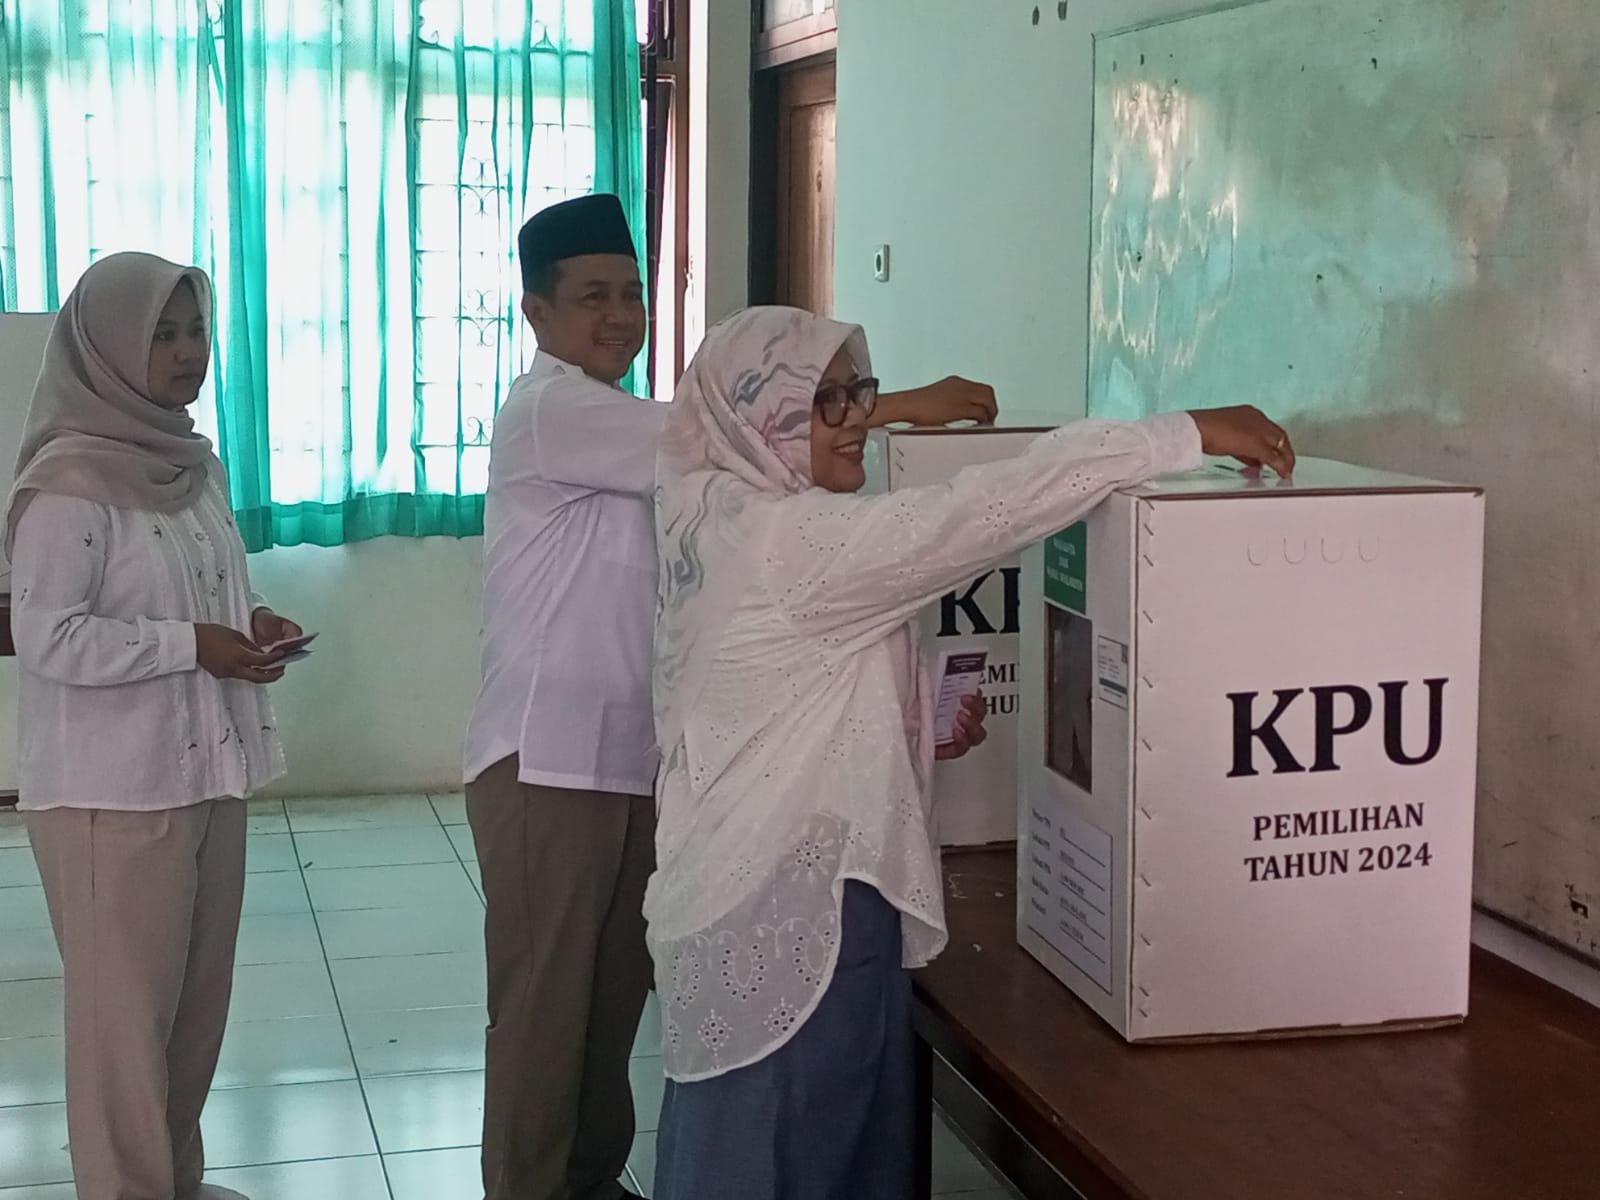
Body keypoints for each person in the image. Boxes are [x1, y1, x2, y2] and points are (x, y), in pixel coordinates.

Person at [646, 306, 1295, 1199]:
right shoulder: (787, 541)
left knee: (787, 1151)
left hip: (761, 890)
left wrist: (917, 724)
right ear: (752, 416)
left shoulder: (713, 507)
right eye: (821, 402)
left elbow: (778, 696)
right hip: (793, 911)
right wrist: (1176, 434)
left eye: (855, 394)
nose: (853, 422)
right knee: (790, 1154)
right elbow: (979, 515)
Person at [462, 194, 1008, 1200]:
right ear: (535, 313)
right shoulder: (551, 410)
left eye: (630, 294)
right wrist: (890, 404)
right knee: (545, 1012)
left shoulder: (716, 478)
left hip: (635, 760)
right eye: (590, 298)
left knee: (611, 1003)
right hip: (547, 760)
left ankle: (586, 1181)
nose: (619, 316)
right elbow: (702, 434)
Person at [6, 251, 301, 1200]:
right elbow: (50, 638)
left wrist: (254, 622)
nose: (186, 354)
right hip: (112, 798)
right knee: (122, 1033)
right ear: (108, 348)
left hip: (207, 775)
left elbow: (215, 588)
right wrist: (190, 645)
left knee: (191, 1016)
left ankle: (171, 1182)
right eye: (161, 335)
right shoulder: (71, 484)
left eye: (197, 331)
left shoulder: (193, 464)